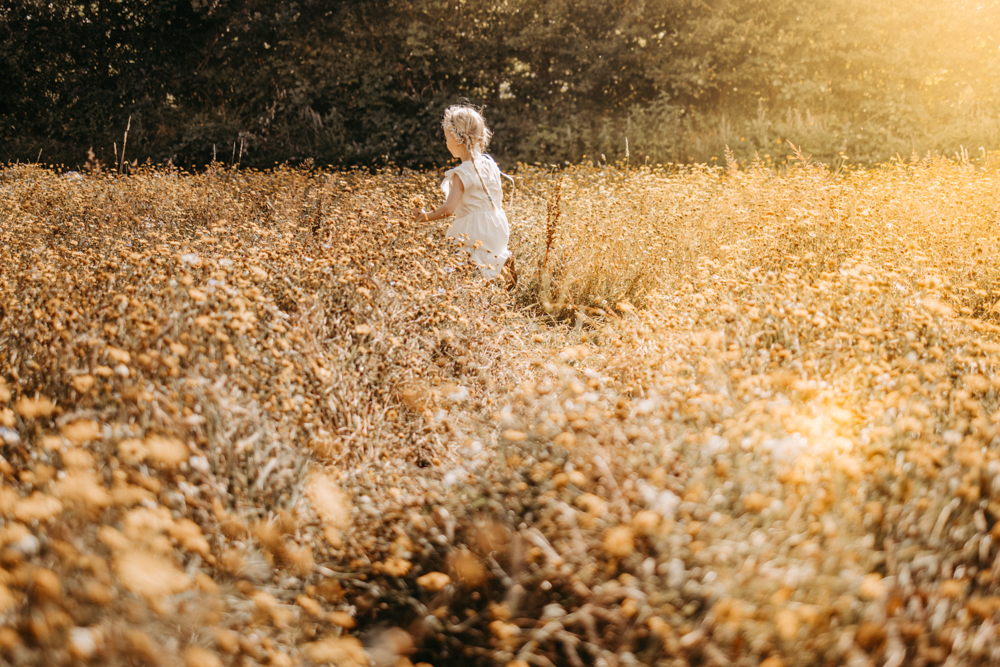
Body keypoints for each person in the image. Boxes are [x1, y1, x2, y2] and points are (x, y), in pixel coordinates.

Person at [412, 105, 516, 287]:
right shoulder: (489, 164)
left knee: (464, 266)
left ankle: (475, 293)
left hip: (474, 228)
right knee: (488, 257)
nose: (446, 143)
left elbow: (448, 210)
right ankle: (501, 265)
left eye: (446, 138)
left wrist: (425, 216)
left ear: (455, 139)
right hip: (497, 223)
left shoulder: (462, 173)